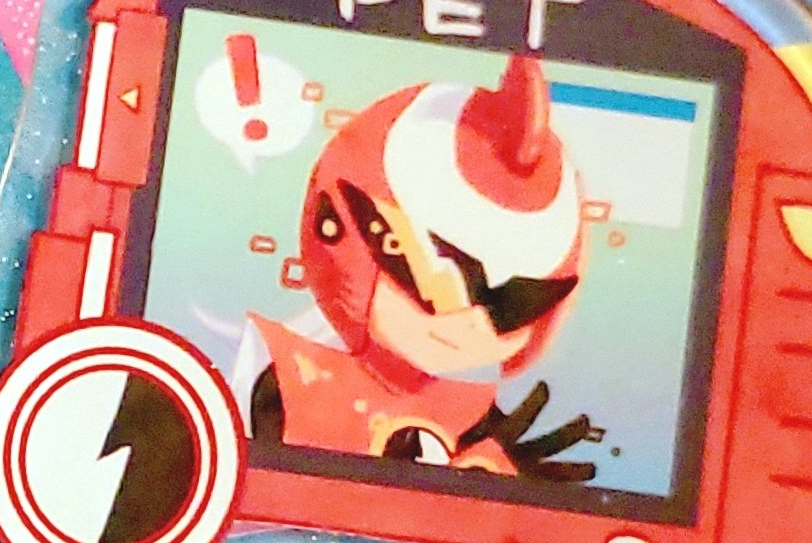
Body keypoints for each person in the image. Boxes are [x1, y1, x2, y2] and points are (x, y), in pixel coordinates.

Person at [246, 54, 602, 480]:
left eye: (513, 307)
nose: (469, 322)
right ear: (344, 230)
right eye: (436, 282)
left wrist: (501, 492)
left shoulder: (475, 418)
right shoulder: (293, 380)